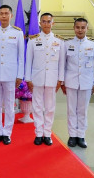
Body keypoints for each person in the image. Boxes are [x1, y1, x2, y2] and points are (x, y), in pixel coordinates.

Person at [62, 18, 94, 148]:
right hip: (71, 82)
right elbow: (63, 64)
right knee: (71, 110)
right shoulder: (67, 44)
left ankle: (81, 136)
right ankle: (72, 135)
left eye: (83, 27)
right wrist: (62, 82)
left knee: (82, 110)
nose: (80, 30)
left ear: (86, 28)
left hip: (86, 83)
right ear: (74, 28)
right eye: (78, 27)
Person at [25, 13, 65, 146]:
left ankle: (47, 134)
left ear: (53, 23)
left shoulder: (59, 41)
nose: (46, 24)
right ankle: (38, 133)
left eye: (49, 21)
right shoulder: (33, 40)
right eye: (44, 21)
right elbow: (28, 62)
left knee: (50, 107)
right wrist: (28, 79)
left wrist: (60, 79)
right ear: (40, 23)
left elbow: (62, 63)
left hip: (52, 79)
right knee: (37, 107)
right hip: (37, 79)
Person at [0, 5, 24, 145]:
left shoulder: (17, 33)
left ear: (11, 16)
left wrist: (19, 75)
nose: (4, 16)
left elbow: (21, 57)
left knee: (9, 105)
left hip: (10, 75)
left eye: (6, 13)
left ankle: (7, 133)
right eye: (1, 13)